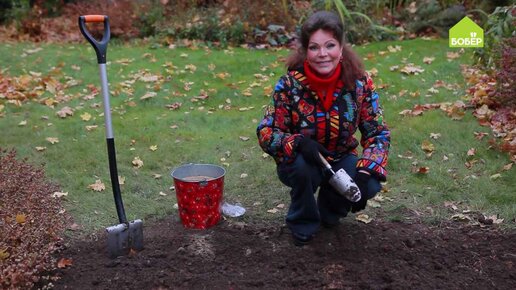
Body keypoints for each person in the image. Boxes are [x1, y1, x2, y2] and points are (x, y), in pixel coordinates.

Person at [256, 11, 390, 246]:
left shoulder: (359, 83)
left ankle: (330, 210)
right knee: (303, 170)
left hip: (341, 157)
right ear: (305, 51)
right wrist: (297, 142)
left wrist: (364, 172)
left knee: (369, 183)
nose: (323, 54)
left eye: (330, 45)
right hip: (303, 160)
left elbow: (378, 133)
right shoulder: (289, 85)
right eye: (315, 47)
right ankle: (303, 220)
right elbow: (266, 132)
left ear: (341, 47)